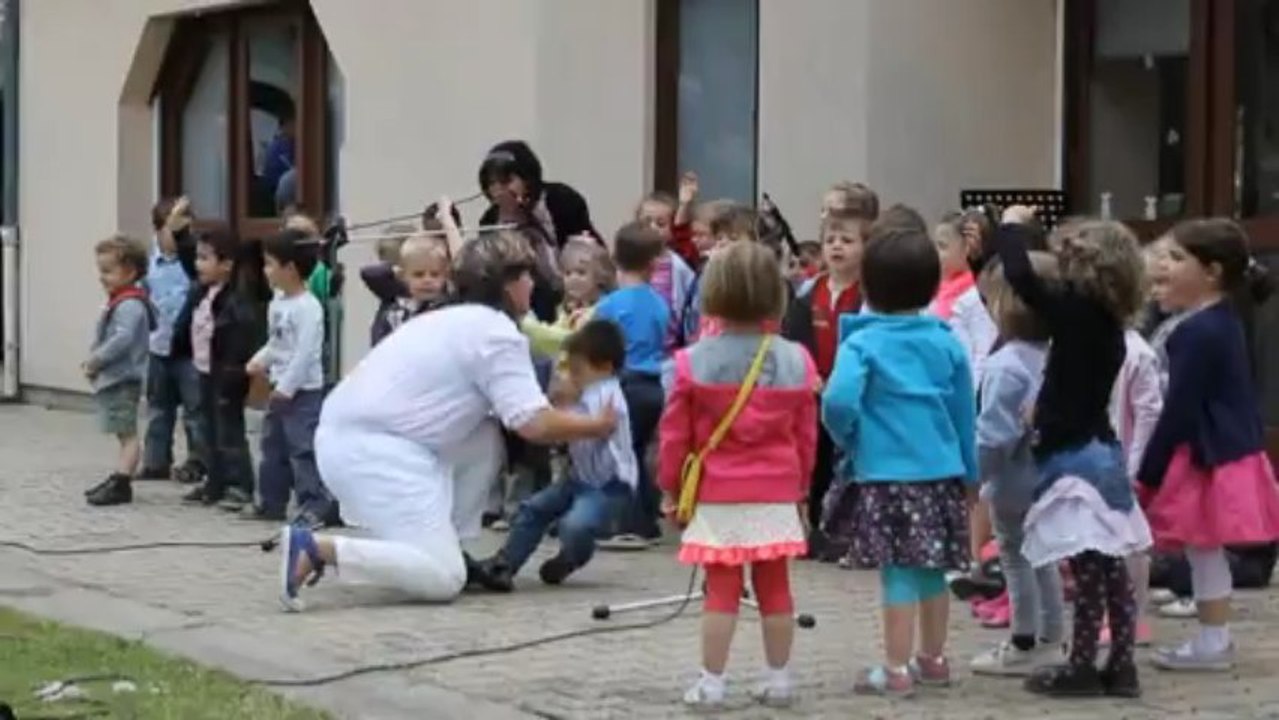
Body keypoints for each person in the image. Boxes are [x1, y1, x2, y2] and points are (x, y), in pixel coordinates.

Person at [275, 232, 617, 611]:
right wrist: (597, 425)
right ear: (508, 284)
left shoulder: (453, 319)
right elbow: (531, 424)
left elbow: (514, 411)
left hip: (356, 439)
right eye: (527, 276)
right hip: (374, 450)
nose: (534, 284)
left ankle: (443, 544)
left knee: (485, 436)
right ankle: (318, 548)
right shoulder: (495, 333)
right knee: (443, 579)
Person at [821, 206, 977, 697]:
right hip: (942, 471)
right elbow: (963, 413)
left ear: (868, 285)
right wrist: (971, 473)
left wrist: (850, 436)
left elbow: (837, 401)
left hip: (886, 473)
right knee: (934, 569)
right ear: (932, 286)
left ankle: (894, 668)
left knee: (898, 573)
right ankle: (932, 659)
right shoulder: (947, 342)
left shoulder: (862, 344)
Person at [994, 208, 1150, 698]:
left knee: (1086, 571)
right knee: (1109, 572)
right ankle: (1121, 666)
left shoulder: (1077, 311)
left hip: (1074, 460)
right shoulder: (1108, 323)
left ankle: (1081, 666)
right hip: (1102, 452)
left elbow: (1020, 277)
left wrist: (1012, 225)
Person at [659, 241, 817, 708]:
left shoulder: (692, 362)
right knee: (776, 589)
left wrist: (670, 488)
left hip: (719, 490)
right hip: (777, 489)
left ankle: (712, 682)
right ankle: (779, 677)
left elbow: (675, 437)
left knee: (721, 592)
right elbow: (806, 437)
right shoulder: (796, 361)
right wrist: (802, 487)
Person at [1137, 218, 1279, 672]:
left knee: (1203, 546)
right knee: (1204, 548)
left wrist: (1150, 472)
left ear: (1212, 272)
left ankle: (1213, 640)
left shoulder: (1201, 331)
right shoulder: (1208, 321)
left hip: (1205, 454)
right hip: (1212, 450)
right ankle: (1212, 637)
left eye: (1178, 259)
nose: (1164, 265)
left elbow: (1179, 407)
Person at [471, 320, 636, 591]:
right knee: (533, 510)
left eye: (577, 371)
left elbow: (593, 427)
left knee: (576, 525)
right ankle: (506, 563)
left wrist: (558, 412)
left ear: (605, 367)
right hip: (578, 477)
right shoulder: (588, 392)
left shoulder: (607, 395)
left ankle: (571, 558)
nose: (572, 377)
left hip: (607, 485)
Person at [967, 253, 1066, 676]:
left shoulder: (1005, 365)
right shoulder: (1056, 355)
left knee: (1015, 558)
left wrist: (976, 475)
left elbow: (994, 435)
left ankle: (1024, 640)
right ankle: (1053, 637)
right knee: (1045, 558)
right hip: (1050, 475)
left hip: (1013, 481)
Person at [781, 199, 876, 559]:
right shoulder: (809, 294)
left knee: (846, 462)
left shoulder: (867, 296)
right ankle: (814, 526)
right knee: (814, 461)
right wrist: (807, 375)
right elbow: (793, 340)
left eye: (847, 240)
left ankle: (844, 530)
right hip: (812, 392)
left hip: (848, 395)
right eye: (831, 240)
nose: (837, 246)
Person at [245, 229, 333, 524]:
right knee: (273, 448)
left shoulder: (308, 308)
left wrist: (287, 387)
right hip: (279, 389)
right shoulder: (278, 302)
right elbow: (278, 343)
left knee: (302, 449)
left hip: (303, 391)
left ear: (290, 268)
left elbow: (306, 352)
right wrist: (260, 360)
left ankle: (314, 504)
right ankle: (271, 501)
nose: (265, 270)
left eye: (270, 263)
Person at [170, 230, 261, 510]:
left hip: (228, 373)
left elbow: (241, 339)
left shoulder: (237, 298)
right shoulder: (202, 292)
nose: (198, 264)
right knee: (207, 429)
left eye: (205, 258)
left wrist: (235, 372)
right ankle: (215, 480)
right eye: (197, 257)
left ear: (227, 264)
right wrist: (179, 233)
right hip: (204, 369)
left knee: (229, 430)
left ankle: (239, 484)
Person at [593, 222, 671, 549]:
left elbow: (598, 343)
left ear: (615, 258)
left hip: (625, 382)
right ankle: (648, 518)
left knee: (623, 453)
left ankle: (627, 522)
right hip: (654, 384)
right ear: (653, 264)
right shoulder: (658, 303)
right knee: (642, 451)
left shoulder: (611, 304)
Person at [477, 140, 597, 322]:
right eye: (492, 184)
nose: (498, 191)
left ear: (528, 178)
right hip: (528, 302)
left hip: (574, 292)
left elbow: (586, 252)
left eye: (506, 181)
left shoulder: (561, 200)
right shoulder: (490, 221)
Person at [83, 235, 155, 507]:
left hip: (124, 378)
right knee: (121, 431)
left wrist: (96, 360)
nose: (102, 277)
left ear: (131, 272)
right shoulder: (122, 301)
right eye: (100, 270)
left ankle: (122, 483)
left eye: (108, 271)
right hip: (117, 378)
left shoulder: (130, 305)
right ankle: (119, 477)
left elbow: (122, 340)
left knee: (127, 434)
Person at [140, 196, 207, 484]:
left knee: (195, 409)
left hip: (189, 348)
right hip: (158, 346)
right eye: (172, 230)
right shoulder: (149, 264)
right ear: (157, 231)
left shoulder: (192, 262)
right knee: (158, 408)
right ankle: (156, 462)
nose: (179, 237)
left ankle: (198, 461)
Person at [933, 213, 998, 385]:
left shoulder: (975, 296)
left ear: (967, 249)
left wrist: (973, 395)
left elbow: (982, 352)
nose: (935, 253)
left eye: (942, 246)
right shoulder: (936, 288)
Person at [636, 192, 696, 351]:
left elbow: (688, 300)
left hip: (670, 344)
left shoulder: (677, 263)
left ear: (672, 229)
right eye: (646, 222)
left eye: (660, 224)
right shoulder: (630, 259)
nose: (652, 228)